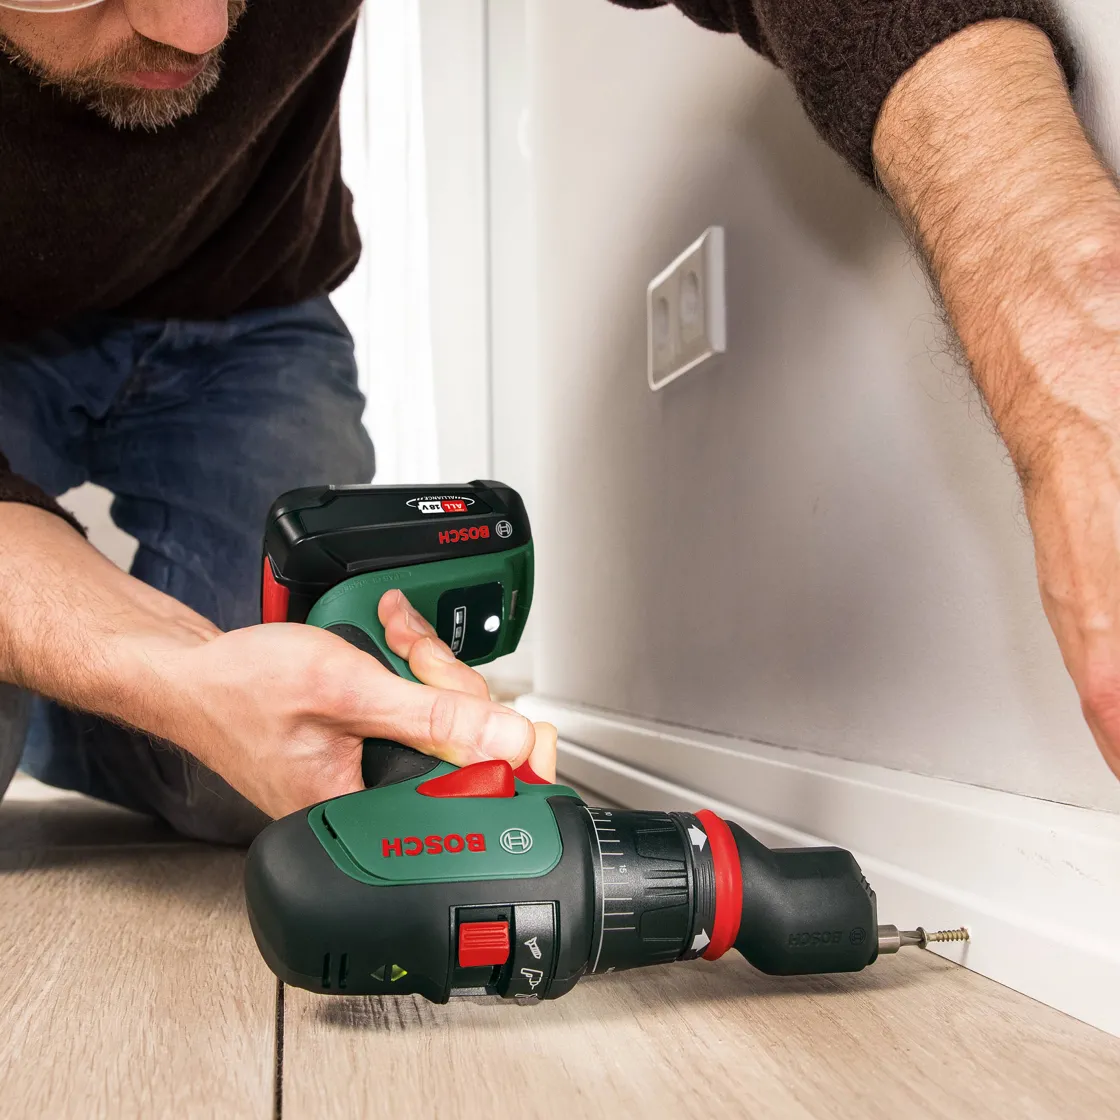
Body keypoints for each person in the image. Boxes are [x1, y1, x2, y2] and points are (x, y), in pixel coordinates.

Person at [0, 1, 1115, 848]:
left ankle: (56, 720)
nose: (197, 28)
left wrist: (1074, 344)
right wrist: (161, 670)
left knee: (268, 773)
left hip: (249, 307)